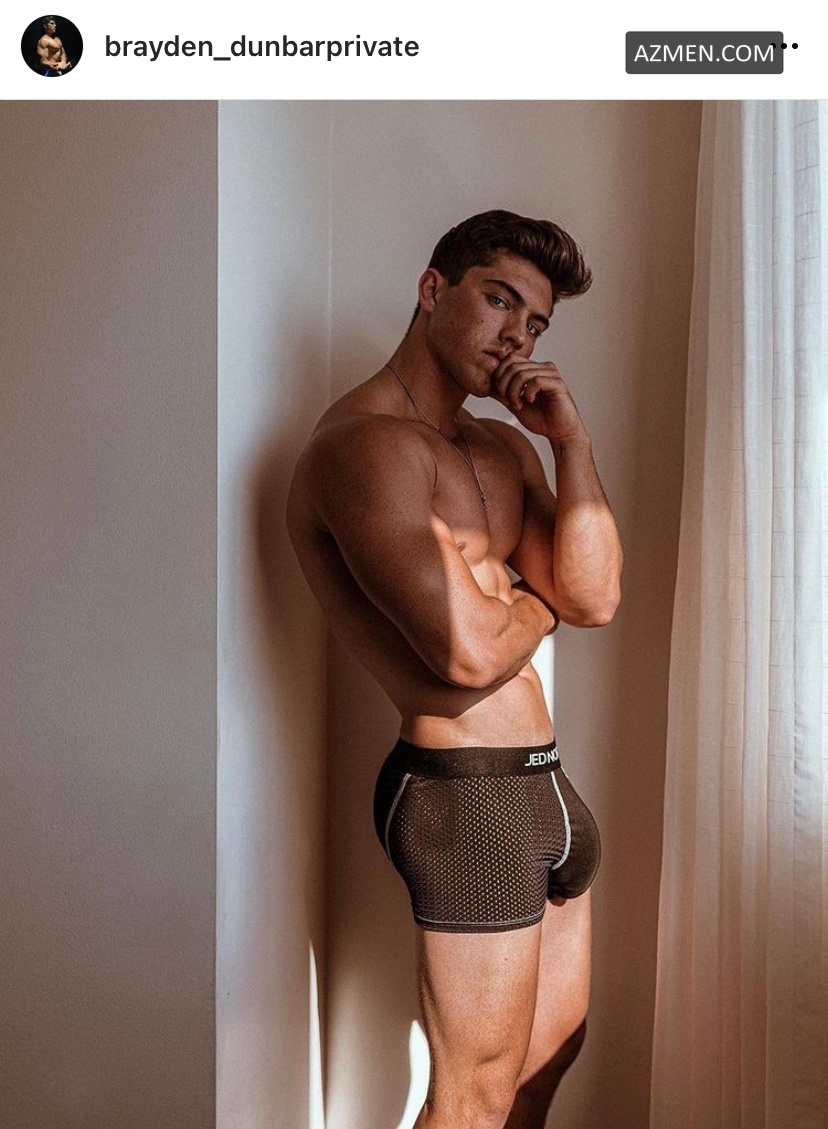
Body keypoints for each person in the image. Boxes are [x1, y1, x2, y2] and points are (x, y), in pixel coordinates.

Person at [287, 210, 623, 1129]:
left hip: (545, 783)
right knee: (473, 1097)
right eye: (499, 300)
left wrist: (570, 444)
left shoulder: (502, 448)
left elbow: (594, 595)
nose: (517, 335)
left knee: (541, 1071)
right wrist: (537, 604)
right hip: (463, 793)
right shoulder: (361, 448)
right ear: (434, 289)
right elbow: (466, 652)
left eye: (535, 322)